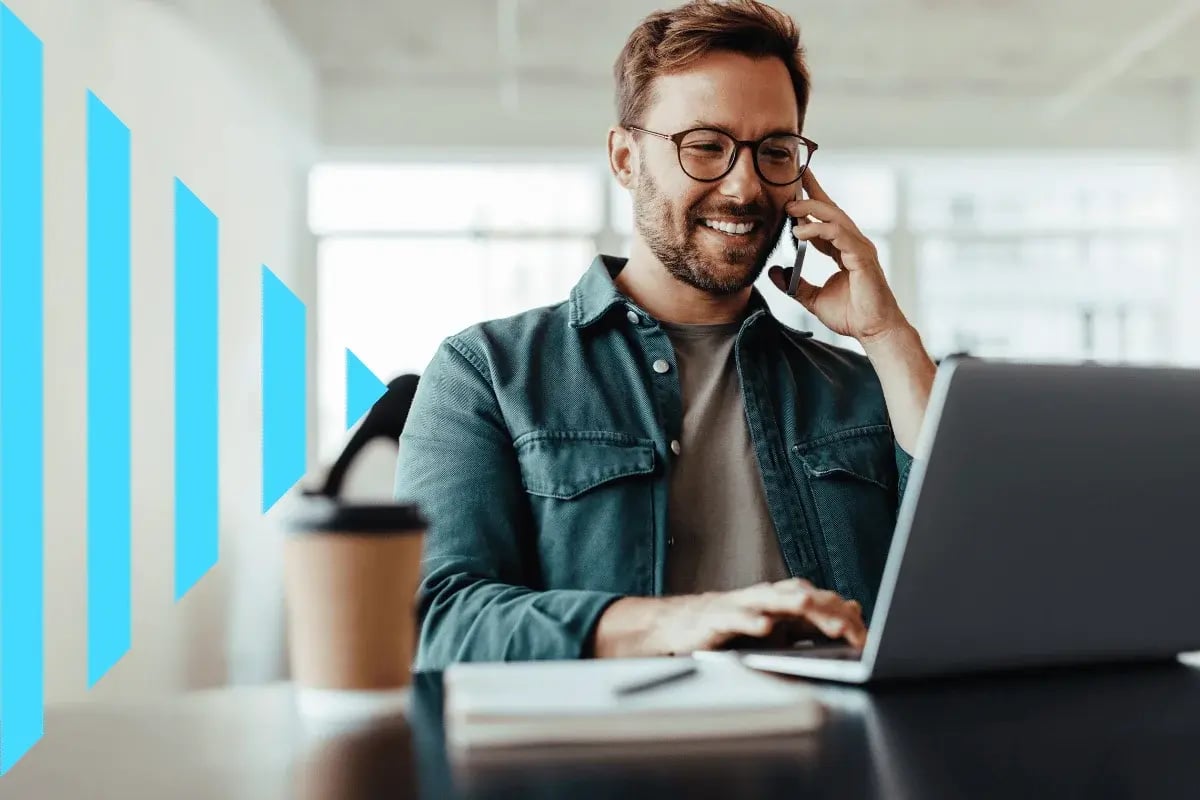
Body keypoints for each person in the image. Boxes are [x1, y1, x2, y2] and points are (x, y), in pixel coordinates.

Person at [395, 0, 936, 669]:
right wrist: (684, 620)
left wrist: (887, 334)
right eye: (705, 146)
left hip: (836, 762)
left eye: (774, 151)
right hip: (604, 765)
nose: (744, 187)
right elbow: (434, 621)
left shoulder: (860, 388)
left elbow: (970, 583)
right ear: (625, 157)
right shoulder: (487, 373)